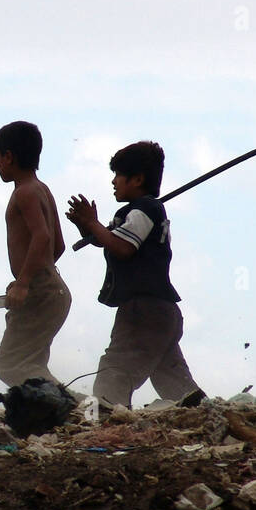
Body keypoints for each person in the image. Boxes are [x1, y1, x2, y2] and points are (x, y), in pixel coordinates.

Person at [65, 141, 205, 409]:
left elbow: (123, 247)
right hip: (163, 312)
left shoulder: (144, 209)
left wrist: (93, 223)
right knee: (172, 378)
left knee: (114, 371)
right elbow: (110, 239)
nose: (113, 181)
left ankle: (104, 419)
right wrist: (88, 228)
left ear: (137, 179)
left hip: (144, 311)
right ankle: (204, 413)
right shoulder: (142, 211)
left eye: (118, 175)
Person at [0, 121, 72, 386]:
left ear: (8, 156)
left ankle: (76, 405)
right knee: (31, 366)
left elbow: (42, 236)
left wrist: (24, 282)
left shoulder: (24, 192)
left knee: (10, 365)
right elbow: (58, 246)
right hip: (54, 289)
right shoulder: (42, 189)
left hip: (41, 291)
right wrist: (27, 279)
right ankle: (80, 406)